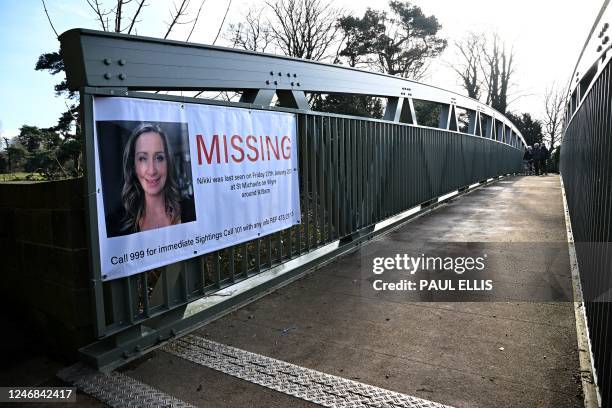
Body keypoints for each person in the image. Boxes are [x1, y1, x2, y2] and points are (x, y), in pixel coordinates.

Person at [114, 124, 190, 235]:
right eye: (143, 158)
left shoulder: (190, 210)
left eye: (159, 158)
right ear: (133, 165)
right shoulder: (116, 225)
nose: (152, 170)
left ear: (168, 162)